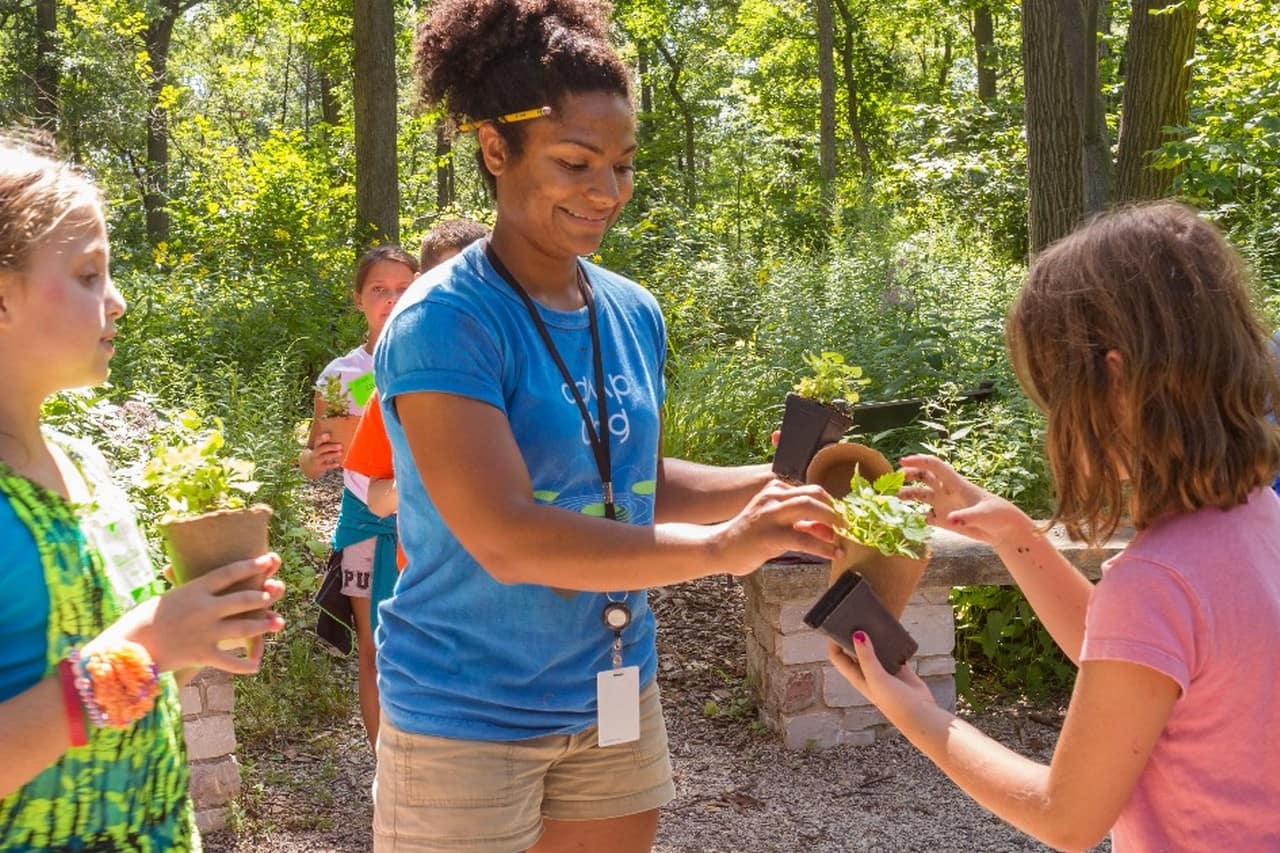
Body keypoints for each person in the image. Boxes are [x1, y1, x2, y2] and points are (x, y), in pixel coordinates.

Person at [370, 1, 839, 850]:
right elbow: (506, 536)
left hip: (615, 690)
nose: (607, 193)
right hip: (467, 712)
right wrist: (723, 549)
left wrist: (790, 491)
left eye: (622, 166)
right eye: (575, 162)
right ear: (494, 150)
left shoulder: (631, 309)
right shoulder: (444, 321)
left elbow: (635, 481)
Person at [830, 203, 1280, 850]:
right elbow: (1138, 660)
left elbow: (1066, 815)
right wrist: (1016, 535)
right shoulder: (1257, 513)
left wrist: (920, 713)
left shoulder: (1155, 579)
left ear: (1116, 378)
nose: (1053, 423)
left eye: (1056, 396)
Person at [0, 134, 286, 849]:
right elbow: (117, 663)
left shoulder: (88, 470)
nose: (118, 301)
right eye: (90, 273)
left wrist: (196, 632)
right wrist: (148, 640)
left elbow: (128, 676)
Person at [342, 219, 491, 700]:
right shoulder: (392, 374)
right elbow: (373, 491)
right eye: (451, 281)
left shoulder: (541, 361)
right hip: (429, 586)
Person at [299, 245, 418, 748]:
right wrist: (314, 461)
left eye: (403, 289)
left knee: (423, 642)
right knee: (374, 648)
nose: (391, 300)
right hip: (363, 524)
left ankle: (431, 759)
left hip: (427, 520)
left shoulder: (438, 358)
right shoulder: (341, 374)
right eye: (379, 290)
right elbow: (309, 455)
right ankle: (384, 766)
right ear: (359, 299)